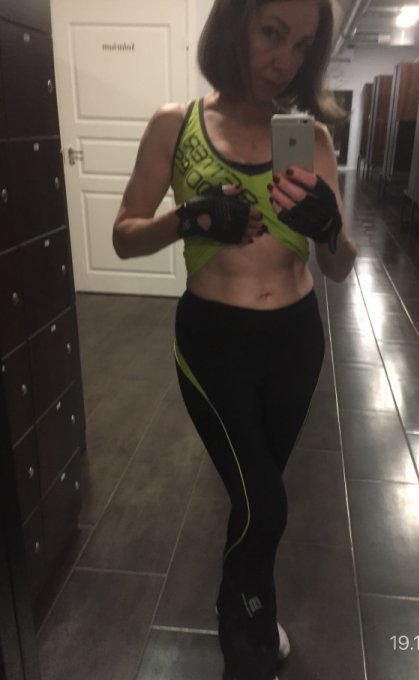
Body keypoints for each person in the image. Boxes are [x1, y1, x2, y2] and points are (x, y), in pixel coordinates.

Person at [112, 0, 357, 678]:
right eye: (271, 33)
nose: (284, 60)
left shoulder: (311, 139)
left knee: (256, 497)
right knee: (265, 503)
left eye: (301, 46)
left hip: (295, 343)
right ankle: (244, 650)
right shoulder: (176, 125)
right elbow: (124, 235)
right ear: (234, 26)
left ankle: (246, 605)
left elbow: (340, 266)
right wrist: (186, 220)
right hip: (213, 343)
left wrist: (328, 228)